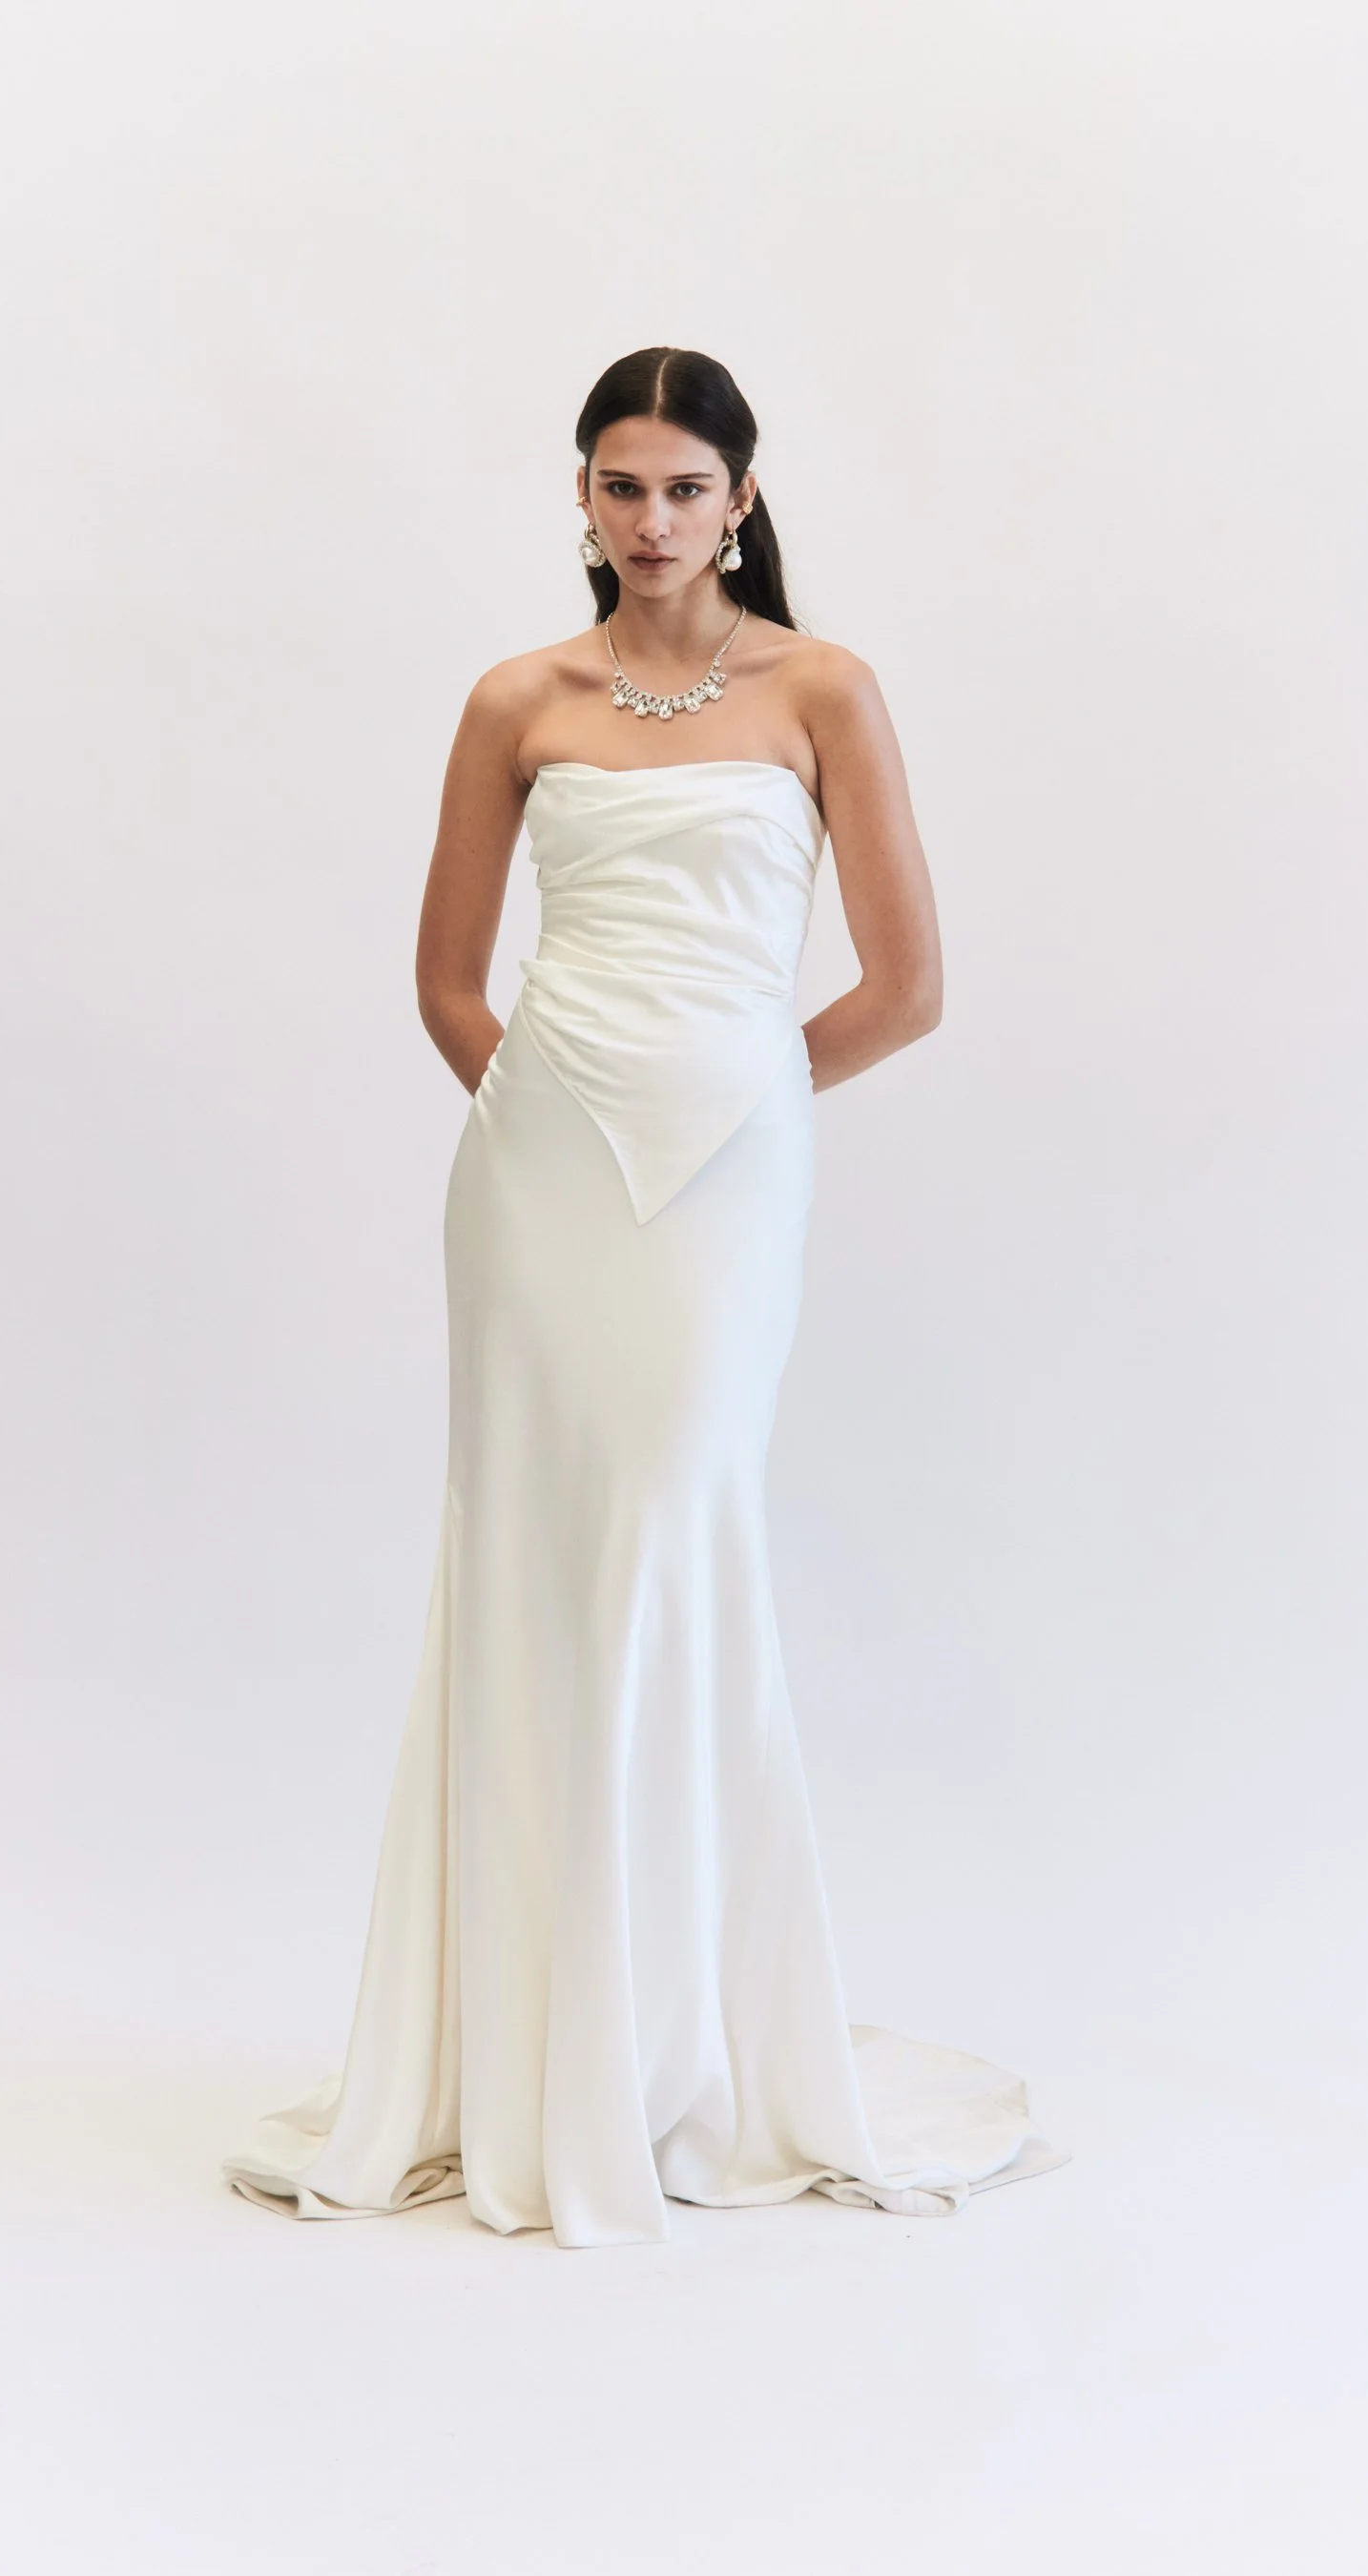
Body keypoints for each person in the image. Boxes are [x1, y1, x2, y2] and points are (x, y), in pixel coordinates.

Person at [222, 346, 1064, 2248]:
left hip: (732, 1172)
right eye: (623, 486)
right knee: (530, 1559)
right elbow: (447, 980)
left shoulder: (822, 691)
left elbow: (907, 986)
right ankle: (531, 2051)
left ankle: (676, 2038)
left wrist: (746, 1099)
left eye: (688, 487)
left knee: (680, 1525)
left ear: (742, 499)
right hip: (536, 1181)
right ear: (585, 499)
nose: (655, 519)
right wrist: (548, 1110)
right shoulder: (518, 699)